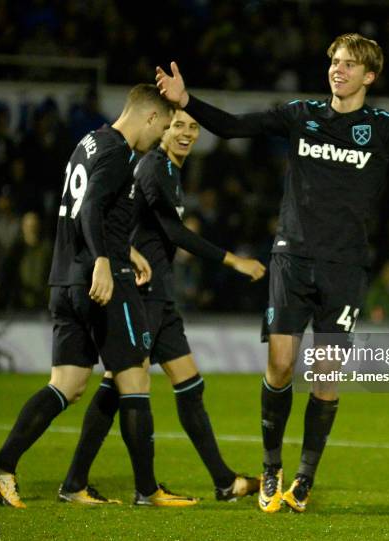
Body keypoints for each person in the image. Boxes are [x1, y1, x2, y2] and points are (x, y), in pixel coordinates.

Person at [156, 32, 389, 513]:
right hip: (293, 256)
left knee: (325, 376)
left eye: (349, 65)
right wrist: (187, 101)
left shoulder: (383, 127)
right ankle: (271, 467)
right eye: (335, 62)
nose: (338, 70)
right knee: (282, 365)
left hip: (346, 266)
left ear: (369, 76)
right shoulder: (299, 115)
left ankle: (304, 478)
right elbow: (231, 127)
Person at [0, 84, 197, 509]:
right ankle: (148, 491)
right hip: (101, 281)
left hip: (64, 280)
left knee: (68, 384)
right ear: (150, 118)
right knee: (133, 377)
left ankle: (5, 467)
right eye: (164, 126)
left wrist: (123, 248)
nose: (162, 137)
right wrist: (104, 259)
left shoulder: (90, 141)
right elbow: (90, 207)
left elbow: (89, 206)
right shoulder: (117, 151)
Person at [58, 110, 266, 505]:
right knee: (119, 387)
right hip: (142, 292)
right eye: (178, 126)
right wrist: (233, 260)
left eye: (193, 127)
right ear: (163, 131)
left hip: (161, 295)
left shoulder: (169, 171)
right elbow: (173, 232)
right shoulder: (153, 167)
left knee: (190, 384)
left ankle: (225, 482)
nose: (186, 133)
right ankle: (80, 483)